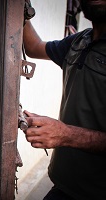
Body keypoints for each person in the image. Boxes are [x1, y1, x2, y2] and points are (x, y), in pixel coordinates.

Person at [22, 0, 106, 199]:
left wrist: (66, 134)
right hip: (64, 185)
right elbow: (34, 47)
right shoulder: (79, 41)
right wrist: (22, 10)